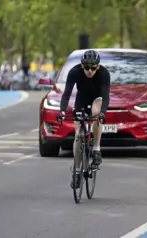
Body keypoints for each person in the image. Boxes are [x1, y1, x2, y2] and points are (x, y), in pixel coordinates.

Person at [57, 50, 111, 189]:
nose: (89, 71)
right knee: (78, 136)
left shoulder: (104, 74)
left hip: (97, 99)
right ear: (82, 66)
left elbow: (105, 96)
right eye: (86, 67)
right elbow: (67, 93)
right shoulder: (74, 72)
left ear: (98, 66)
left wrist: (103, 113)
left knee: (96, 113)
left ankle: (97, 149)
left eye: (93, 68)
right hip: (81, 100)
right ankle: (77, 171)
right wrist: (62, 111)